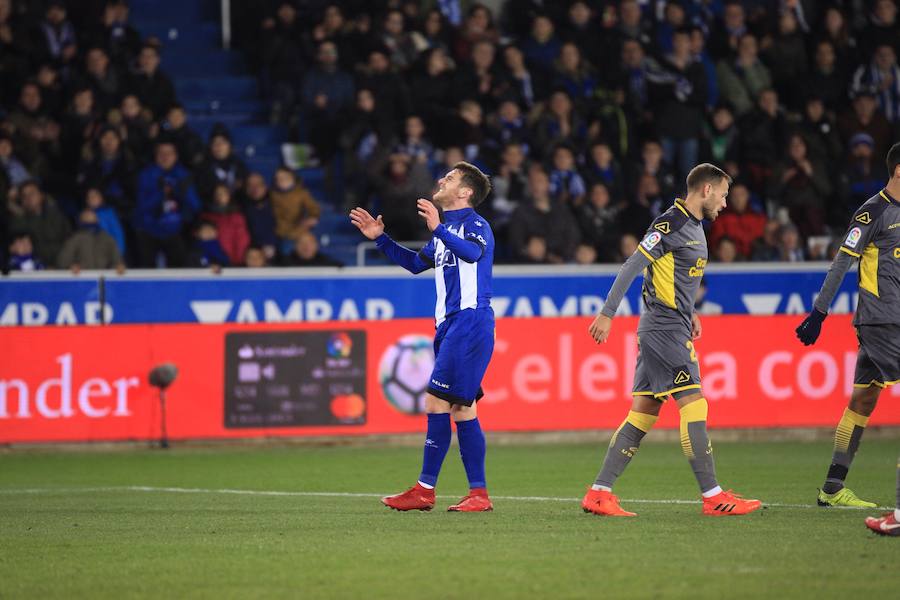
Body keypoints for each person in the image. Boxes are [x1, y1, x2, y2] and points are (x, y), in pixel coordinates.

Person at [583, 163, 762, 517]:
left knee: (644, 413)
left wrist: (689, 310)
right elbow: (633, 265)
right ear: (706, 190)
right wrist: (607, 313)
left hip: (669, 324)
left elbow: (670, 276)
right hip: (664, 330)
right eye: (723, 195)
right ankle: (713, 496)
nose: (725, 204)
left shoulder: (693, 226)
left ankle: (599, 493)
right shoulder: (672, 223)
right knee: (694, 403)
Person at [350, 162, 495, 512]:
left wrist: (438, 228)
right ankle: (478, 495)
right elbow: (416, 264)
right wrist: (380, 239)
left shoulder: (475, 225)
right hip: (450, 327)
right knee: (463, 409)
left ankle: (425, 490)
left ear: (465, 193)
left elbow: (473, 254)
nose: (442, 179)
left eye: (451, 178)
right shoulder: (446, 231)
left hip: (469, 322)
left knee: (436, 403)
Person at [795, 142, 900, 508]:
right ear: (898, 170)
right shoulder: (872, 213)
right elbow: (841, 262)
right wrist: (819, 313)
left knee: (863, 399)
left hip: (893, 321)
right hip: (882, 321)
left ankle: (833, 487)